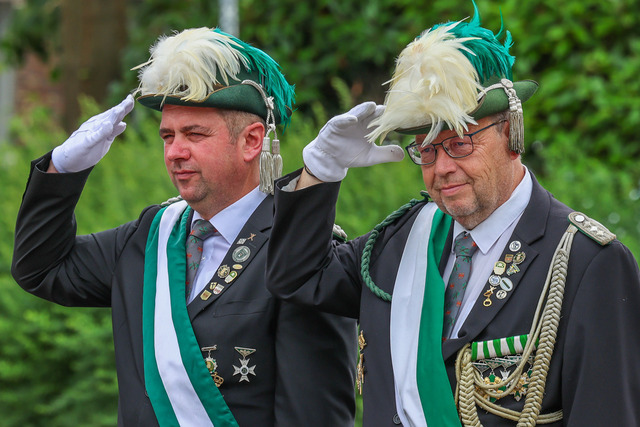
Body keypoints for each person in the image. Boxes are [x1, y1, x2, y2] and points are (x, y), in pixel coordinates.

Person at [266, 4, 640, 427]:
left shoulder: (586, 261)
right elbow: (297, 276)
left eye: (460, 142)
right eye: (426, 150)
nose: (441, 167)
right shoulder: (402, 240)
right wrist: (322, 169)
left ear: (509, 133)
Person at [11, 27, 357, 426]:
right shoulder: (151, 236)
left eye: (194, 134)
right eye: (167, 136)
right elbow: (41, 268)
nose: (175, 152)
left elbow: (314, 415)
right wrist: (62, 170)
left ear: (251, 141)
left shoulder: (300, 252)